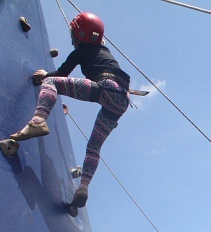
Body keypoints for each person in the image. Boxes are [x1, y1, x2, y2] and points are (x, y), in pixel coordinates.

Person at [10, 12, 130, 212]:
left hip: (106, 88)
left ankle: (39, 120)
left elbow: (62, 73)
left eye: (74, 34)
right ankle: (83, 187)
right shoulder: (103, 49)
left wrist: (44, 75)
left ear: (79, 35)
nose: (72, 39)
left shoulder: (81, 51)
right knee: (94, 146)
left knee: (51, 83)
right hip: (122, 101)